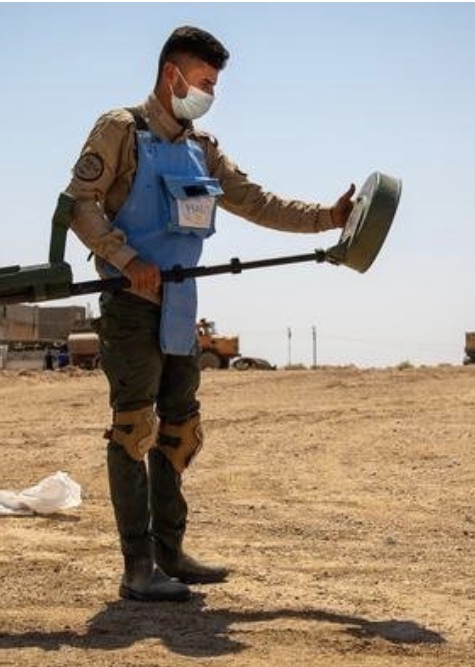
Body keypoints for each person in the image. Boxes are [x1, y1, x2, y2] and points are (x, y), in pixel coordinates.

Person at [65, 25, 354, 602]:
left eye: (215, 85)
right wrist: (125, 258)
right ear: (171, 75)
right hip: (130, 306)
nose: (210, 94)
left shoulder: (204, 148)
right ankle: (138, 568)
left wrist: (327, 218)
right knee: (133, 430)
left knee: (179, 431)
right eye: (203, 82)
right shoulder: (120, 129)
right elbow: (79, 204)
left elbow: (257, 201)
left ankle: (171, 554)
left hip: (181, 306)